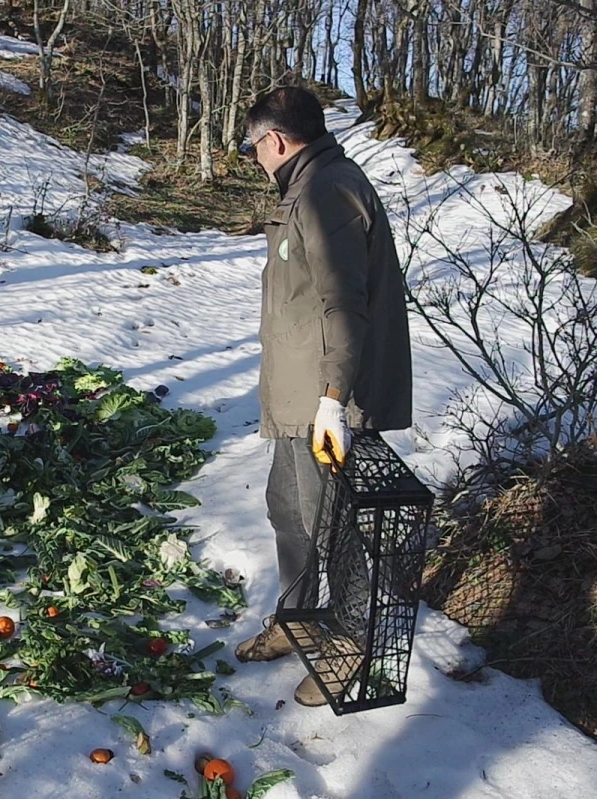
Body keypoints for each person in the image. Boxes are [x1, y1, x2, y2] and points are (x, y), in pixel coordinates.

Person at [233, 87, 412, 706]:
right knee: (289, 511)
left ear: (275, 141)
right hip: (295, 398)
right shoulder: (307, 187)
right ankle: (296, 621)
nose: (254, 157)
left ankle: (351, 645)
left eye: (253, 146)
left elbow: (345, 305)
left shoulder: (325, 191)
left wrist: (333, 398)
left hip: (323, 405)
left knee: (333, 525)